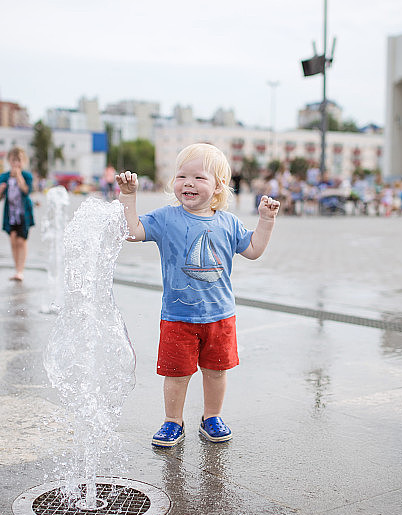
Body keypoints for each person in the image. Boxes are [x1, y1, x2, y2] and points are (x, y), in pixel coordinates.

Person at [117, 143, 280, 448]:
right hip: (178, 317)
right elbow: (133, 231)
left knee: (216, 372)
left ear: (219, 186)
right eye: (181, 176)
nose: (188, 183)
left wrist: (266, 221)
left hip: (220, 316)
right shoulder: (167, 218)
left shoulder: (228, 223)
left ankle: (212, 416)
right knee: (176, 375)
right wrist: (129, 197)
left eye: (198, 178)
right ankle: (172, 421)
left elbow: (254, 250)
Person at [0, 147, 34, 282]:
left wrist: (18, 176)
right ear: (9, 161)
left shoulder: (27, 176)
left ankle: (20, 271)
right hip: (10, 213)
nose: (16, 164)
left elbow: (26, 191)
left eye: (19, 161)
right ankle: (16, 268)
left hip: (23, 213)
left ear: (24, 162)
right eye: (13, 161)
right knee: (12, 239)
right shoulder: (4, 177)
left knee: (21, 240)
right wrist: (0, 191)